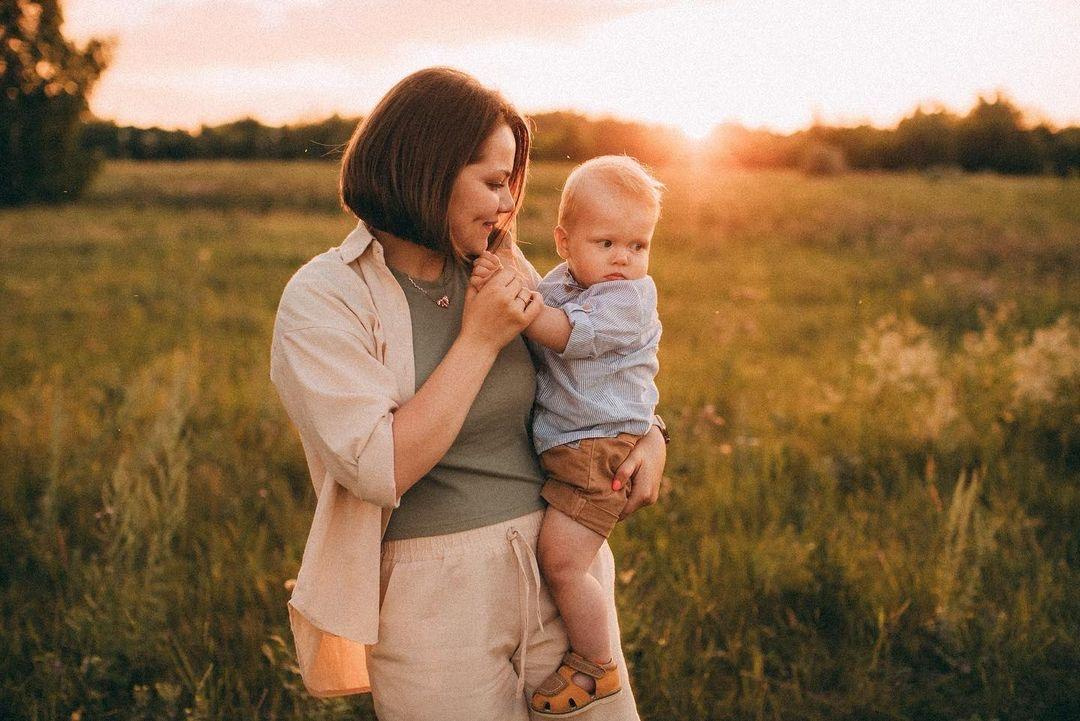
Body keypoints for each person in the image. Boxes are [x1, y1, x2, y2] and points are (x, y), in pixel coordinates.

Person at [269, 67, 668, 721]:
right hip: (432, 600)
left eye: (512, 182)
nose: (509, 204)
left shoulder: (502, 266)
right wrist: (479, 339)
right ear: (429, 170)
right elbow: (382, 465)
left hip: (557, 567)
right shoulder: (324, 297)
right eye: (492, 182)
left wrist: (652, 432)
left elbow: (595, 361)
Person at [470, 156, 663, 716]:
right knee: (562, 557)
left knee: (561, 562)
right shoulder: (562, 282)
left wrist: (511, 300)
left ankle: (597, 664)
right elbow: (539, 297)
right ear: (565, 241)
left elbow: (556, 333)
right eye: (606, 243)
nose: (624, 259)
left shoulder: (629, 297)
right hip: (578, 447)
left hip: (601, 450)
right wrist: (508, 268)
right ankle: (592, 658)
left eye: (638, 244)